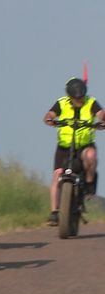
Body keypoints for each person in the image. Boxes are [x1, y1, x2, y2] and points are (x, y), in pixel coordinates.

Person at [43, 77, 105, 226]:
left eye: (82, 97)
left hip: (84, 145)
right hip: (64, 146)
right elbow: (49, 115)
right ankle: (54, 212)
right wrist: (50, 120)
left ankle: (89, 184)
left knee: (91, 156)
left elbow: (101, 114)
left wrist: (101, 121)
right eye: (77, 98)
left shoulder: (91, 102)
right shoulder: (61, 103)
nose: (80, 100)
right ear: (70, 97)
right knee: (57, 175)